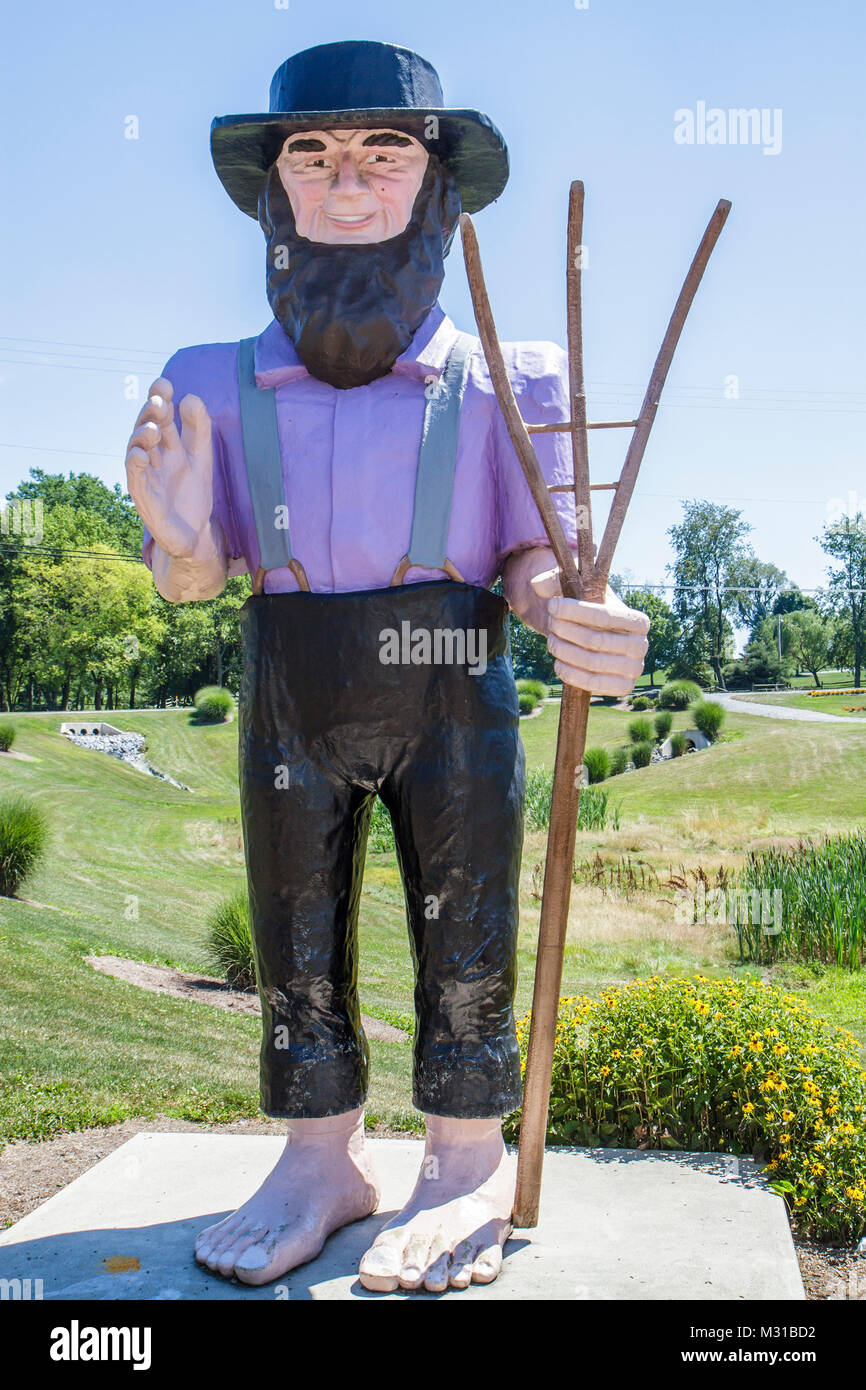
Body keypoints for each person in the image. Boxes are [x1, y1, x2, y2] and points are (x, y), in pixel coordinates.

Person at [125, 40, 648, 1294]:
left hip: (451, 680)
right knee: (292, 927)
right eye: (311, 154)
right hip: (291, 679)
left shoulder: (513, 380)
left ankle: (462, 1156)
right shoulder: (206, 383)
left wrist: (578, 611)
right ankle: (320, 1159)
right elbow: (191, 577)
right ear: (275, 193)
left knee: (465, 923)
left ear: (435, 185)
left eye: (382, 152)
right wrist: (186, 545)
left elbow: (536, 555)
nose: (345, 182)